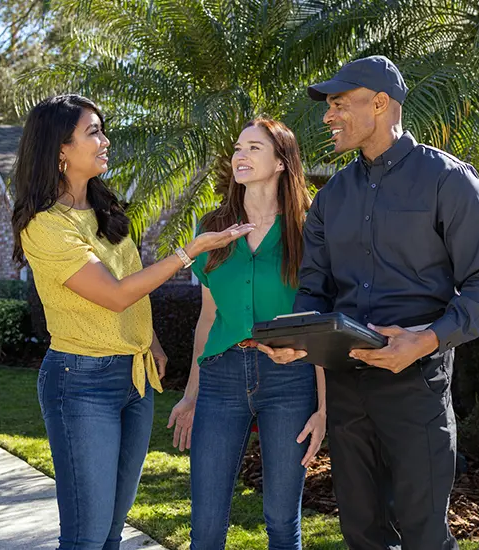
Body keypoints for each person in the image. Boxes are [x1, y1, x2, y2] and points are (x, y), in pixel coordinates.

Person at [258, 56, 479, 550]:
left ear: (380, 104)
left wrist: (425, 340)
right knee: (361, 532)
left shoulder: (448, 180)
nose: (327, 117)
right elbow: (314, 289)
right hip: (347, 387)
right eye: (327, 106)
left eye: (338, 104)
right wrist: (298, 341)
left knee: (423, 534)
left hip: (417, 385)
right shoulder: (331, 199)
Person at [12, 94, 253, 550]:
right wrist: (191, 250)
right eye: (93, 133)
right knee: (86, 534)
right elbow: (116, 294)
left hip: (135, 377)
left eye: (102, 130)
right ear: (60, 150)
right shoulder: (45, 225)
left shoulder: (104, 209)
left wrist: (153, 340)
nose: (105, 141)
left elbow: (129, 281)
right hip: (81, 382)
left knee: (112, 531)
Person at [166, 118, 325, 550]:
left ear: (280, 162)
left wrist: (323, 407)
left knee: (280, 519)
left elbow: (323, 318)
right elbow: (207, 318)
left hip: (290, 380)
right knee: (207, 523)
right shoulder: (211, 228)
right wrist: (191, 394)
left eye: (255, 148)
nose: (241, 155)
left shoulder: (309, 229)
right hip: (221, 376)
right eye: (238, 147)